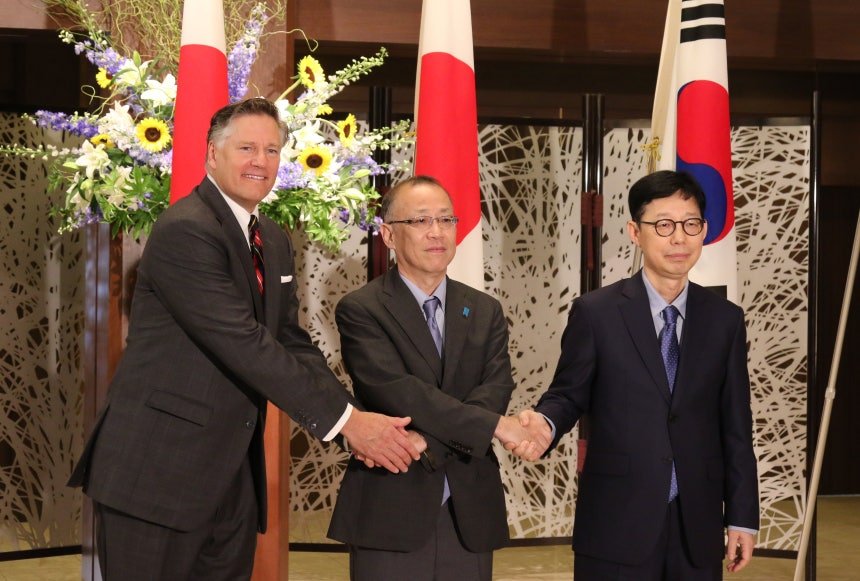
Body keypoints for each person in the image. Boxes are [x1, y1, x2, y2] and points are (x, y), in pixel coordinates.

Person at [67, 98, 421, 581]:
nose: (261, 161)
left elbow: (289, 341)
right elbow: (245, 343)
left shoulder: (271, 238)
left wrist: (352, 415)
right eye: (247, 148)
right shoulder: (186, 230)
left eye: (272, 150)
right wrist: (347, 426)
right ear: (212, 154)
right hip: (156, 477)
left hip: (230, 480)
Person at [513, 170, 759, 579]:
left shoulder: (725, 320)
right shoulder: (596, 313)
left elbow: (736, 425)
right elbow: (568, 394)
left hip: (696, 525)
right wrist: (544, 421)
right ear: (634, 231)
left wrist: (743, 517)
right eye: (663, 225)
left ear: (704, 231)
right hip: (615, 523)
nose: (678, 238)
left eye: (690, 224)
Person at [327, 175, 545, 581]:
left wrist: (427, 439)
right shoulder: (362, 309)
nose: (436, 232)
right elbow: (398, 392)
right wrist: (495, 427)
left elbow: (495, 389)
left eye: (446, 220)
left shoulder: (483, 309)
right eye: (421, 221)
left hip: (469, 506)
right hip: (391, 503)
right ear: (389, 235)